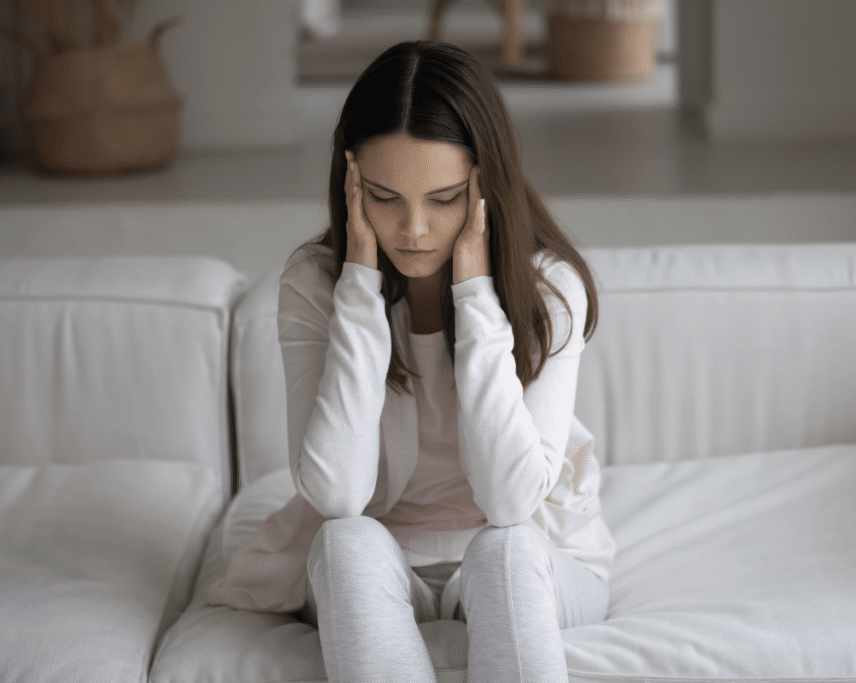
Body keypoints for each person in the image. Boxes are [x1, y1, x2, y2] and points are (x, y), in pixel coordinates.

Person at [208, 40, 616, 682]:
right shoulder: (315, 287)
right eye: (384, 196)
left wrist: (475, 295)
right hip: (381, 555)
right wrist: (361, 292)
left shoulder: (549, 289)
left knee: (502, 553)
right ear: (350, 185)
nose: (415, 229)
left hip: (530, 555)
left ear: (489, 185)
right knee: (343, 542)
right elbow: (337, 493)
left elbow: (510, 503)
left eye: (446, 198)